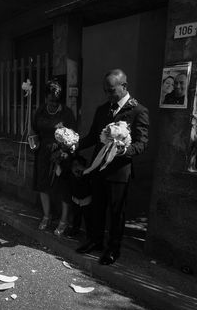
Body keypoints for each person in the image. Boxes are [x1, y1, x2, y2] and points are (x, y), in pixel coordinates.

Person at [76, 69, 149, 265]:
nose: (108, 94)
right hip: (99, 168)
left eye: (111, 90)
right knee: (96, 208)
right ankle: (95, 241)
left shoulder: (138, 111)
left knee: (116, 213)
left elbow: (142, 144)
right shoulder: (103, 109)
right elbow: (93, 136)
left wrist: (124, 150)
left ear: (123, 87)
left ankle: (113, 249)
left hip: (119, 172)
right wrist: (75, 144)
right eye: (105, 91)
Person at [28, 80, 76, 234]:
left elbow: (74, 136)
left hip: (61, 154)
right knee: (43, 184)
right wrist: (33, 142)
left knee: (62, 187)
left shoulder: (67, 113)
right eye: (51, 100)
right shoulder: (40, 111)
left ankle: (63, 220)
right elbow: (34, 130)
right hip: (43, 153)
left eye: (57, 100)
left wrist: (64, 149)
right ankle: (47, 215)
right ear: (45, 98)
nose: (54, 103)